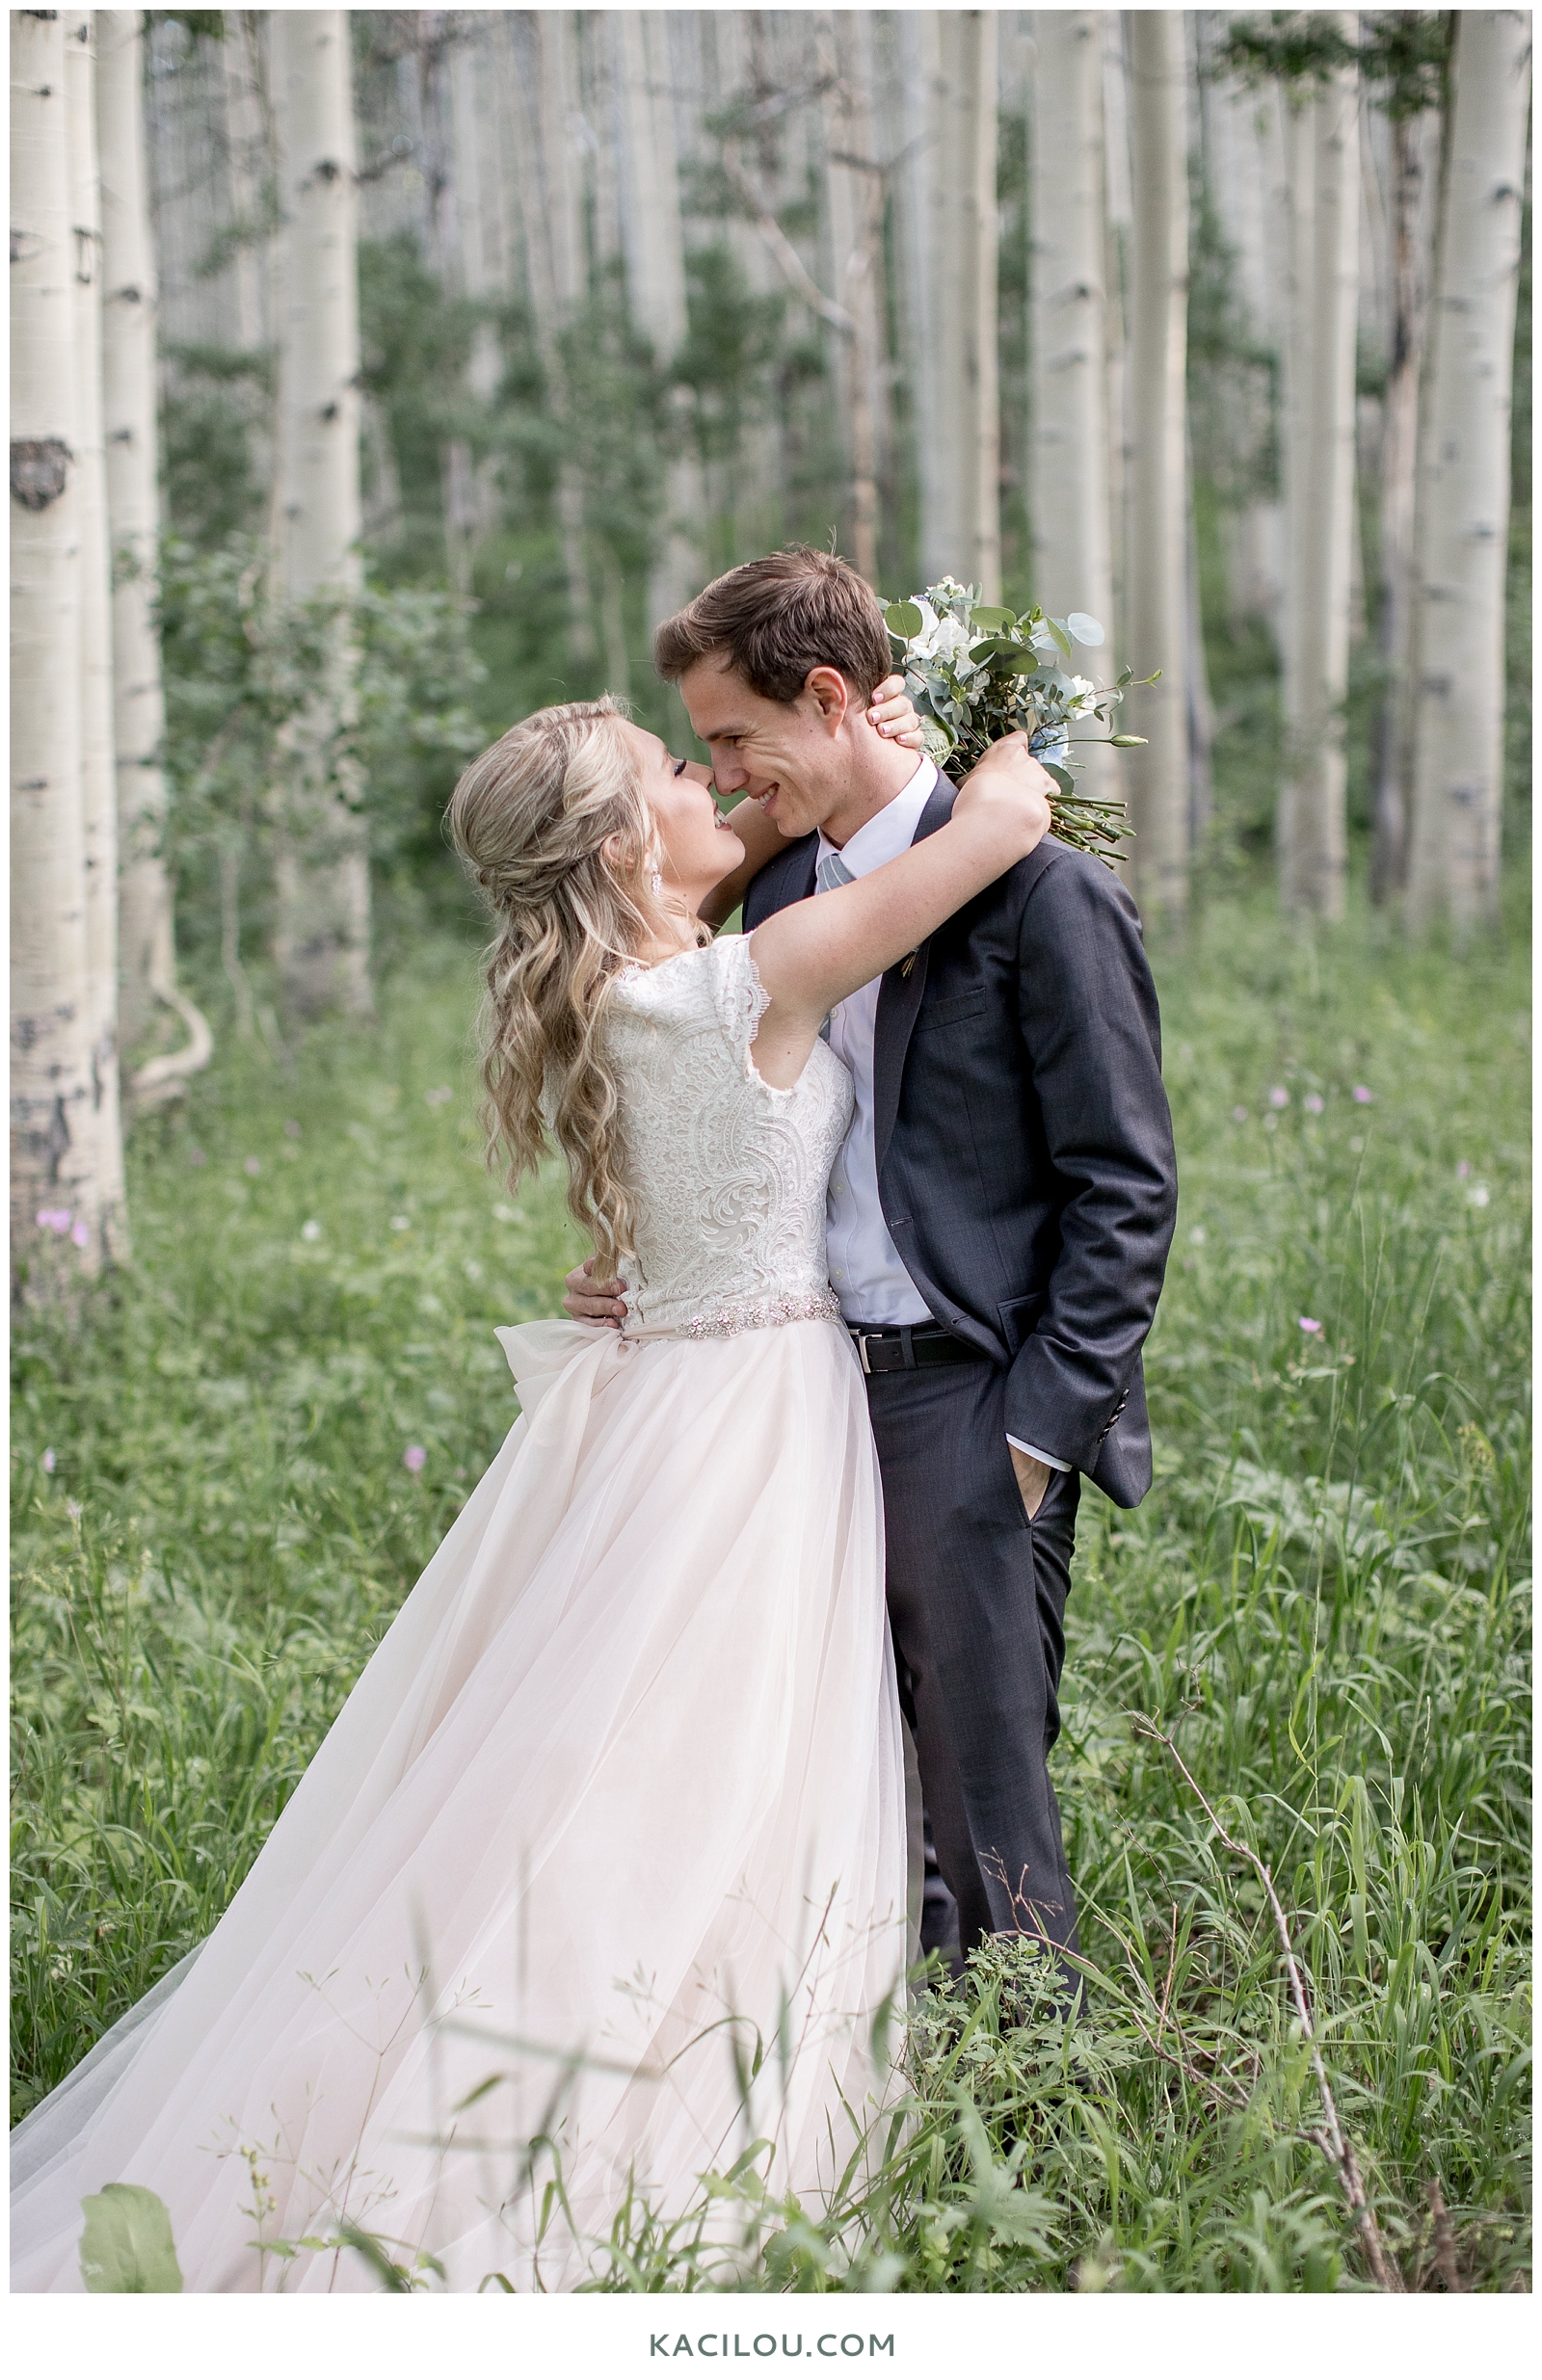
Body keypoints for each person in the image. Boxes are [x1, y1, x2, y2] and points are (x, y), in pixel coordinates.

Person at [10, 675, 1052, 2294]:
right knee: (715, 1776)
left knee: (640, 1761)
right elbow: (1000, 830)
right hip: (751, 1423)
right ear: (632, 839)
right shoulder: (729, 986)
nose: (715, 781)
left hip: (687, 1394)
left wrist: (812, 760)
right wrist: (973, 729)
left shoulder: (652, 991)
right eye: (676, 769)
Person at [568, 547, 1178, 1986]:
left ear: (832, 695)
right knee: (839, 1769)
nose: (718, 777)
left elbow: (1125, 1185)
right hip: (794, 1397)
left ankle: (1042, 2122)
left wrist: (1035, 1433)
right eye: (701, 749)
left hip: (968, 1395)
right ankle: (887, 2096)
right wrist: (638, 1266)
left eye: (733, 739)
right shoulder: (776, 884)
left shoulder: (1040, 896)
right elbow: (694, 1079)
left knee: (980, 1789)